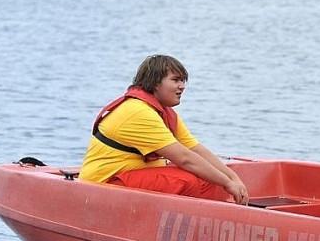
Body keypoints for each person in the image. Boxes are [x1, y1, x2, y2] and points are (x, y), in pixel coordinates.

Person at [80, 55, 249, 204]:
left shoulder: (163, 112)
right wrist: (227, 183)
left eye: (183, 81)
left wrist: (233, 177)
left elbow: (195, 149)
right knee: (197, 181)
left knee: (211, 177)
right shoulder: (138, 112)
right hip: (102, 184)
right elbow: (185, 159)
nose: (182, 86)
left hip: (130, 175)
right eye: (175, 80)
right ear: (154, 84)